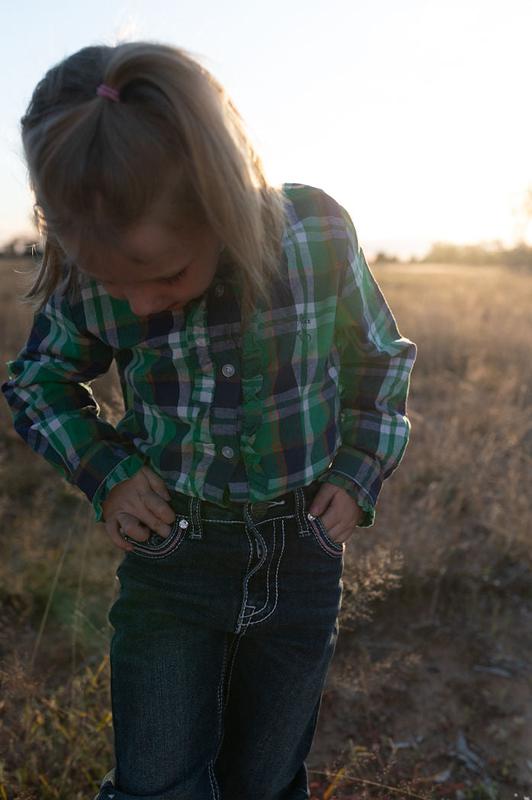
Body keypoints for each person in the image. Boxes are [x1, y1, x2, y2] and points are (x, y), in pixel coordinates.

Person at [1, 41, 417, 800]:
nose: (139, 305)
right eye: (110, 283)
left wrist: (357, 479)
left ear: (221, 202)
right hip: (175, 561)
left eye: (163, 277)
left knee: (263, 778)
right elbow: (36, 381)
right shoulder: (103, 271)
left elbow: (381, 362)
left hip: (303, 556)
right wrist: (111, 473)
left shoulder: (316, 232)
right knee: (158, 783)